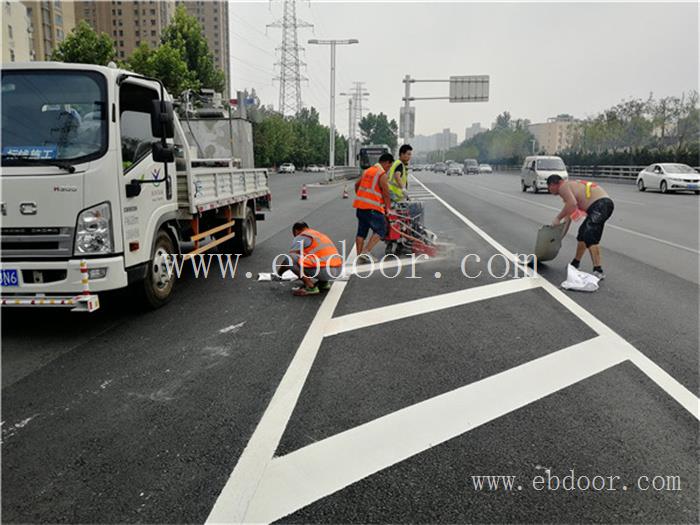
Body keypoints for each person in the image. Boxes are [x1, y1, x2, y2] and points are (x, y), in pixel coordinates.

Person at [547, 175, 615, 280]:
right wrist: (559, 239)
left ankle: (598, 270)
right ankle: (575, 263)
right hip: (600, 206)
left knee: (589, 234)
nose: (549, 190)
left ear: (553, 184)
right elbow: (568, 218)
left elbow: (572, 204)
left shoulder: (563, 187)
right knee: (582, 234)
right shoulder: (568, 191)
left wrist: (557, 218)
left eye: (549, 187)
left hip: (601, 204)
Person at [278, 222, 344, 296]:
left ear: (296, 231)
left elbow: (289, 259)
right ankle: (324, 283)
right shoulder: (318, 234)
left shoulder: (301, 236)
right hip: (338, 269)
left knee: (290, 258)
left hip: (324, 270)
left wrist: (279, 273)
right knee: (313, 259)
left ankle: (310, 287)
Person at [353, 152, 393, 261]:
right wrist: (388, 209)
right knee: (381, 229)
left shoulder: (367, 171)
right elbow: (386, 194)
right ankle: (366, 252)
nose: (388, 169)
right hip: (373, 208)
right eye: (389, 166)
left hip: (360, 206)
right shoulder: (381, 174)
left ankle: (359, 256)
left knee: (361, 232)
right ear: (386, 163)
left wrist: (361, 196)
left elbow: (356, 185)